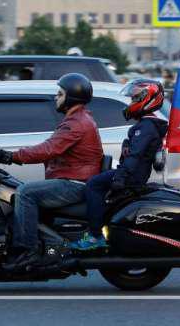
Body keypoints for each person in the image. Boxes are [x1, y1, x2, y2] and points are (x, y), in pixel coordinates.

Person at [0, 73, 104, 269]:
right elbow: (49, 149)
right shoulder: (78, 119)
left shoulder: (77, 124)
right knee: (17, 187)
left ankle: (27, 251)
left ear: (72, 97)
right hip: (75, 179)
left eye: (60, 94)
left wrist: (9, 156)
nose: (55, 98)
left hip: (74, 183)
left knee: (25, 193)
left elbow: (47, 149)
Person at [69, 79, 168, 251]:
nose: (131, 103)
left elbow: (135, 156)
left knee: (93, 184)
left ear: (146, 99)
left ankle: (94, 236)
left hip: (132, 175)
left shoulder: (145, 127)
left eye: (134, 99)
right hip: (134, 173)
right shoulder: (148, 126)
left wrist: (121, 176)